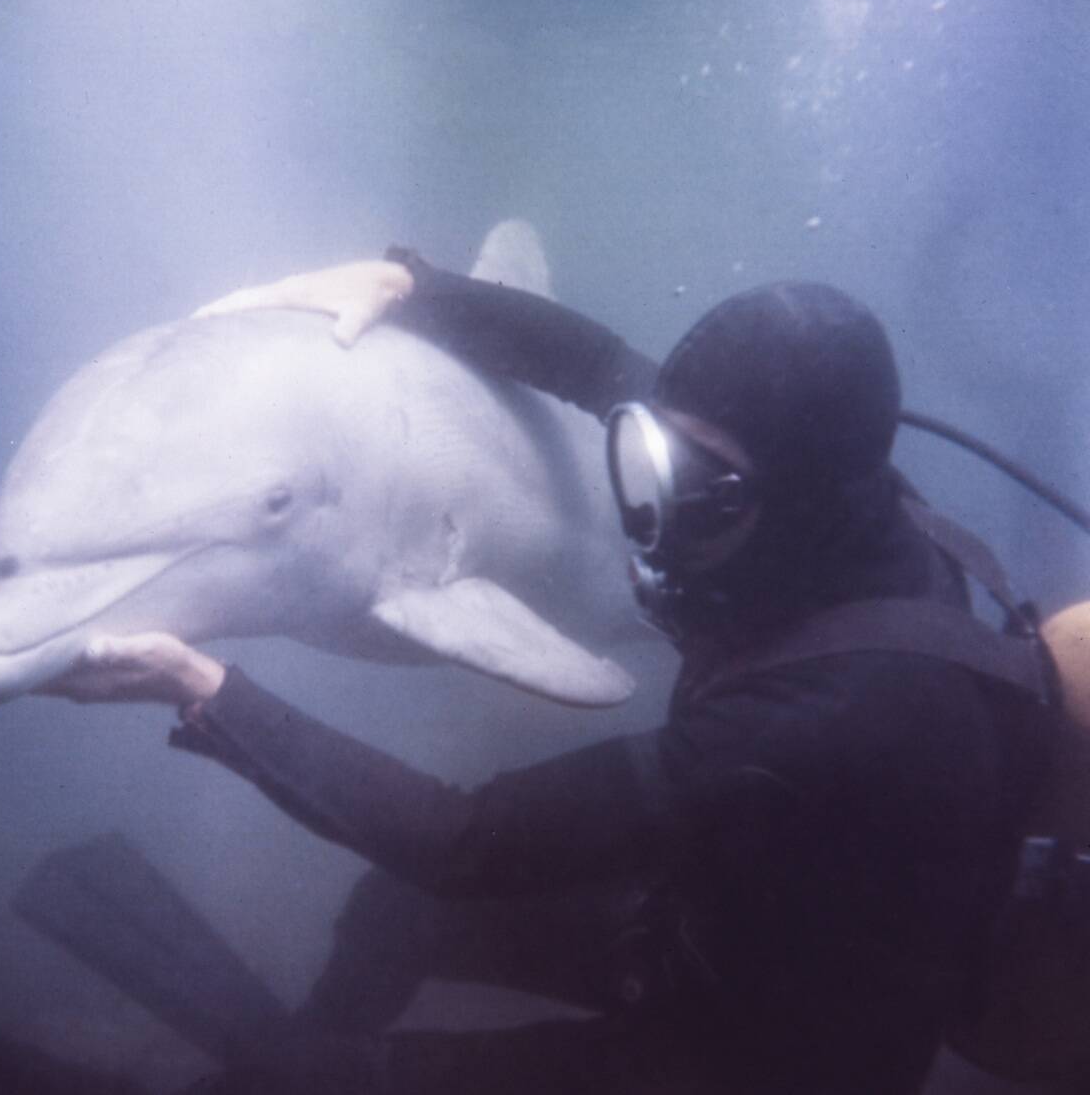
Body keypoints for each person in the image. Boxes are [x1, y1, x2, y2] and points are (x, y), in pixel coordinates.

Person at [51, 253, 1053, 1094]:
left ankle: (309, 1071)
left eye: (695, 485)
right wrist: (410, 282)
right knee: (390, 917)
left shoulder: (835, 710)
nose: (652, 504)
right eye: (652, 455)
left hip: (758, 1057)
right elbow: (594, 363)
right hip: (701, 924)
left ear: (785, 496)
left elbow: (472, 843)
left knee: (343, 1075)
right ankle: (305, 1057)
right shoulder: (835, 500)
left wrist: (208, 692)